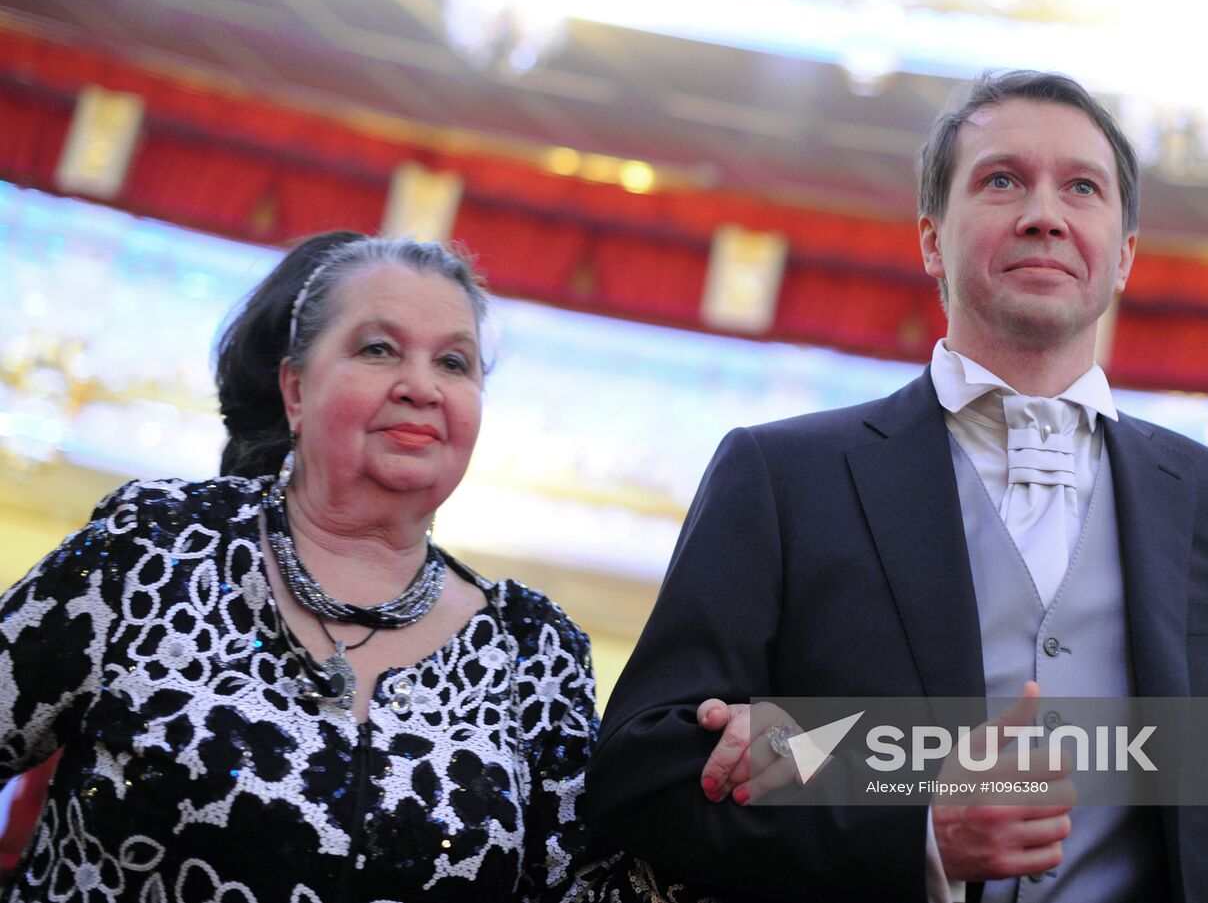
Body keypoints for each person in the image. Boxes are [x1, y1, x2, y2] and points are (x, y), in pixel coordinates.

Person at [588, 71, 1208, 902]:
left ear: (1125, 256)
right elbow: (641, 774)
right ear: (931, 240)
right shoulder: (779, 474)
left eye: (1082, 188)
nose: (1044, 214)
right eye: (1002, 180)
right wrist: (914, 829)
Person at [0, 231, 753, 902]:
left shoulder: (532, 648)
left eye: (453, 362)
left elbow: (603, 887)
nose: (421, 385)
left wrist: (793, 749)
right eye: (378, 349)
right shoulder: (157, 544)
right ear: (296, 388)